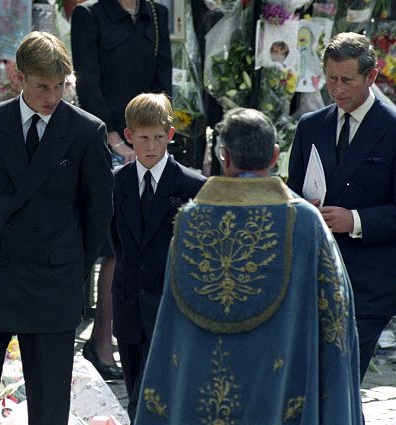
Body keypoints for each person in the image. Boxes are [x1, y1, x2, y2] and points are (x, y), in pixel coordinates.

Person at [135, 108, 362, 424]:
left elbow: (171, 323)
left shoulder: (190, 219)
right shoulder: (305, 222)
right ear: (275, 156)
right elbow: (336, 314)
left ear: (224, 157)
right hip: (279, 391)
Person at [0, 32, 114, 425]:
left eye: (60, 86)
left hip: (52, 283)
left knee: (48, 411)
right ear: (19, 76)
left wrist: (70, 270)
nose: (52, 96)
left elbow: (97, 215)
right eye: (43, 86)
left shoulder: (85, 131)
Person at [287, 32, 396, 380]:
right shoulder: (311, 127)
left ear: (371, 77)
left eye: (346, 80)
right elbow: (292, 194)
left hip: (367, 285)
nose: (337, 89)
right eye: (331, 79)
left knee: (341, 381)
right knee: (315, 386)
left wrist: (356, 220)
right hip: (314, 277)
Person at [71, 0, 171, 378]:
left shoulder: (158, 14)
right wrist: (115, 136)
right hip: (109, 141)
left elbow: (162, 83)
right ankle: (100, 341)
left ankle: (142, 338)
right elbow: (88, 81)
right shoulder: (88, 14)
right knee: (114, 247)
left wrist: (158, 137)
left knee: (147, 245)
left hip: (149, 143)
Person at [110, 93, 206, 420]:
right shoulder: (117, 184)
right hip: (129, 306)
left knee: (152, 399)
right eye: (142, 138)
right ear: (128, 137)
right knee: (134, 384)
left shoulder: (193, 185)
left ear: (170, 135)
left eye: (158, 138)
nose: (151, 146)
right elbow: (116, 243)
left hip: (170, 305)